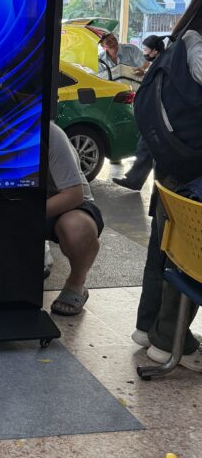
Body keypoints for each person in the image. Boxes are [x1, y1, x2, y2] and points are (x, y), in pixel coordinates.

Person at [133, 0, 202, 370]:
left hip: (171, 159)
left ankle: (147, 328)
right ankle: (170, 340)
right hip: (195, 169)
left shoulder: (180, 38)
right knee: (192, 253)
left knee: (165, 244)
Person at [47, 122, 104, 316]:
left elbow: (73, 195)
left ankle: (76, 283)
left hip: (67, 204)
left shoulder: (51, 134)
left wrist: (28, 215)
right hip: (21, 202)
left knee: (77, 229)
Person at [113, 35, 165, 191]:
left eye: (145, 49)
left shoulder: (162, 65)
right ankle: (135, 180)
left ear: (155, 50)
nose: (143, 52)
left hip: (158, 115)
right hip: (155, 114)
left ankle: (137, 181)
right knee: (146, 146)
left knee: (147, 145)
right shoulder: (159, 62)